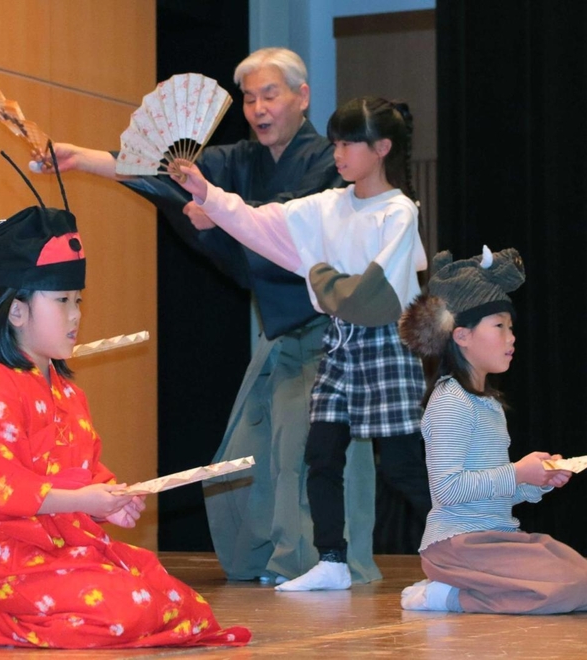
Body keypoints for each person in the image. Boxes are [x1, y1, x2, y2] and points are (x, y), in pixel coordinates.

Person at [32, 47, 384, 584]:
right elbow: (157, 170)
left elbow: (289, 220)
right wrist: (80, 156)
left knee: (308, 451)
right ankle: (267, 559)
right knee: (239, 459)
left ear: (302, 96)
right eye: (249, 98)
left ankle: (326, 565)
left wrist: (220, 211)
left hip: (334, 334)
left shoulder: (327, 163)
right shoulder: (239, 160)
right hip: (281, 336)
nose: (258, 108)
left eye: (270, 94)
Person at [0, 173, 251, 648]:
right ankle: (1, 623)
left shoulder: (68, 393)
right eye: (61, 301)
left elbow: (84, 468)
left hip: (70, 547)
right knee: (127, 609)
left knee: (180, 604)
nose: (76, 315)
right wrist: (84, 500)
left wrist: (111, 498)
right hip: (11, 559)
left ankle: (40, 622)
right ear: (16, 311)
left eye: (78, 301)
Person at [174, 97, 430, 591]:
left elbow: (372, 297)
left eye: (348, 143)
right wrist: (207, 193)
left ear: (381, 149)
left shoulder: (398, 211)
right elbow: (261, 220)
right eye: (334, 143)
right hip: (339, 341)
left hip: (385, 346)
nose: (338, 153)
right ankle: (330, 559)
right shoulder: (328, 205)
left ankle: (458, 552)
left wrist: (319, 274)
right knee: (323, 453)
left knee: (402, 466)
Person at [396, 246, 587, 614]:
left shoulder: (489, 404)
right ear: (461, 336)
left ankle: (465, 591)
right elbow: (448, 489)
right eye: (499, 326)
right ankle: (445, 596)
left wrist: (535, 482)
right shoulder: (450, 400)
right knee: (565, 591)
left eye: (511, 327)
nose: (511, 338)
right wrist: (517, 472)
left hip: (496, 537)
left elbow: (490, 492)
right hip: (457, 544)